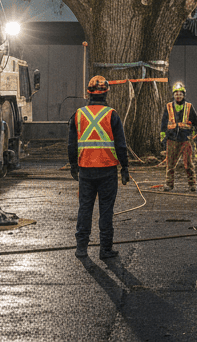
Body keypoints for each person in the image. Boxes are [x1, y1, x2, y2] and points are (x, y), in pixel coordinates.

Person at [68, 74, 130, 260]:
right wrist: (125, 168)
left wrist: (73, 165)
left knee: (85, 208)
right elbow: (121, 145)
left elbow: (72, 144)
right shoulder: (112, 115)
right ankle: (105, 249)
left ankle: (81, 248)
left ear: (88, 93)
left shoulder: (78, 114)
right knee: (106, 210)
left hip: (85, 169)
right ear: (106, 93)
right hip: (107, 169)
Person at [160, 81, 197, 191]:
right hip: (172, 139)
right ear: (173, 95)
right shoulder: (168, 107)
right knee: (170, 164)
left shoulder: (189, 107)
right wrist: (162, 136)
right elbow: (163, 123)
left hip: (185, 139)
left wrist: (193, 136)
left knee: (188, 164)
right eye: (176, 93)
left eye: (180, 93)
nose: (178, 95)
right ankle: (169, 184)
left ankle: (192, 184)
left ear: (184, 95)